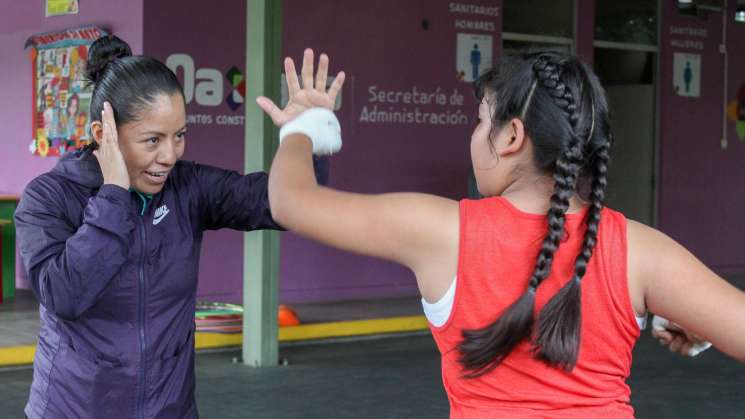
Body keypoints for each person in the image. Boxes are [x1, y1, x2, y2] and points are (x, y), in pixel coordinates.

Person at [259, 49, 745, 418]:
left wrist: (306, 126)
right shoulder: (640, 250)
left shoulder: (442, 232)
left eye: (480, 121)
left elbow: (292, 201)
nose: (474, 136)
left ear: (512, 137)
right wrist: (691, 317)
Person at [14, 35, 328, 419]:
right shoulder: (48, 198)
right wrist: (114, 194)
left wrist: (307, 136)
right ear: (103, 135)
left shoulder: (187, 187)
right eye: (152, 140)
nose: (169, 156)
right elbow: (65, 295)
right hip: (74, 410)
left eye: (179, 136)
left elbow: (286, 203)